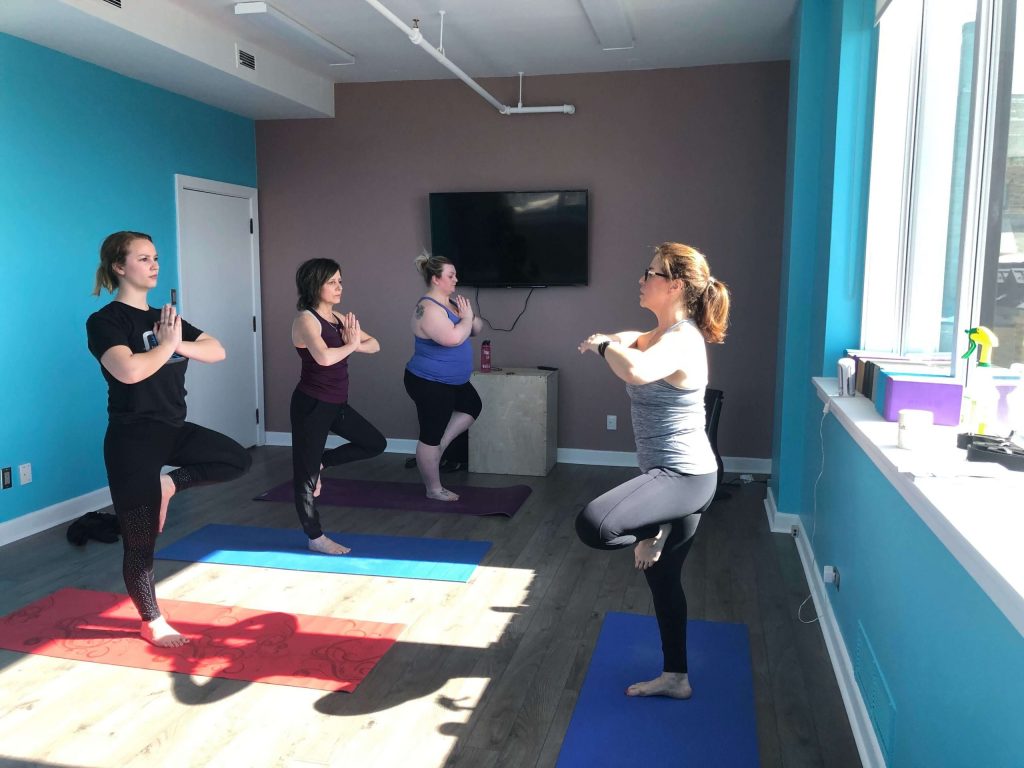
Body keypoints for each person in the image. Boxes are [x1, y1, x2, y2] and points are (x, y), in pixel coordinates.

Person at [575, 242, 730, 699]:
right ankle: (676, 677)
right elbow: (630, 341)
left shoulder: (682, 339)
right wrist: (612, 339)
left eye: (651, 273)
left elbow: (638, 371)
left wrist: (604, 344)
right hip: (676, 476)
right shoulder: (663, 334)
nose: (642, 279)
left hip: (683, 477)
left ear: (675, 285)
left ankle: (650, 530)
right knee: (663, 580)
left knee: (594, 526)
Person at [86, 231, 252, 648]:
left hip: (173, 429)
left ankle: (170, 484)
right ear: (119, 267)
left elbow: (217, 350)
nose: (155, 264)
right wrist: (169, 346)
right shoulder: (106, 321)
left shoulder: (167, 318)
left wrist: (176, 341)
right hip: (131, 438)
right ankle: (152, 619)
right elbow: (128, 371)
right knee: (141, 538)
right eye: (144, 258)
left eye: (156, 257)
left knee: (236, 459)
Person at [290, 258, 385, 555]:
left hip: (336, 403)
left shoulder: (338, 317)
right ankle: (315, 536)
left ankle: (323, 462)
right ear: (314, 285)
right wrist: (352, 344)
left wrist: (353, 342)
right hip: (312, 404)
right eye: (332, 282)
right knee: (304, 476)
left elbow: (376, 344)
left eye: (340, 281)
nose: (339, 287)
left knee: (374, 442)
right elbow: (324, 358)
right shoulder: (306, 319)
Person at [404, 252, 484, 500]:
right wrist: (467, 319)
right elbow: (453, 338)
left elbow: (476, 328)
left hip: (452, 382)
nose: (456, 279)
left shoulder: (450, 304)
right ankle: (433, 489)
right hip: (429, 382)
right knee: (430, 435)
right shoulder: (427, 309)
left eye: (455, 275)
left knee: (472, 405)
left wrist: (469, 320)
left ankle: (440, 446)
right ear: (436, 279)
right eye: (451, 276)